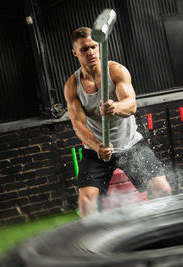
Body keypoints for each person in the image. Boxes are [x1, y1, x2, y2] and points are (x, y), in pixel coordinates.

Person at [64, 27, 172, 217]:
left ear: (99, 47)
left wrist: (116, 107)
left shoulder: (115, 71)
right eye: (84, 49)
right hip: (97, 150)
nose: (90, 52)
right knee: (85, 203)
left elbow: (131, 105)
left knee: (162, 189)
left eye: (93, 47)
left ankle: (167, 230)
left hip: (130, 144)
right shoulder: (72, 85)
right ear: (74, 53)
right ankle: (94, 245)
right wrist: (98, 146)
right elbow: (78, 125)